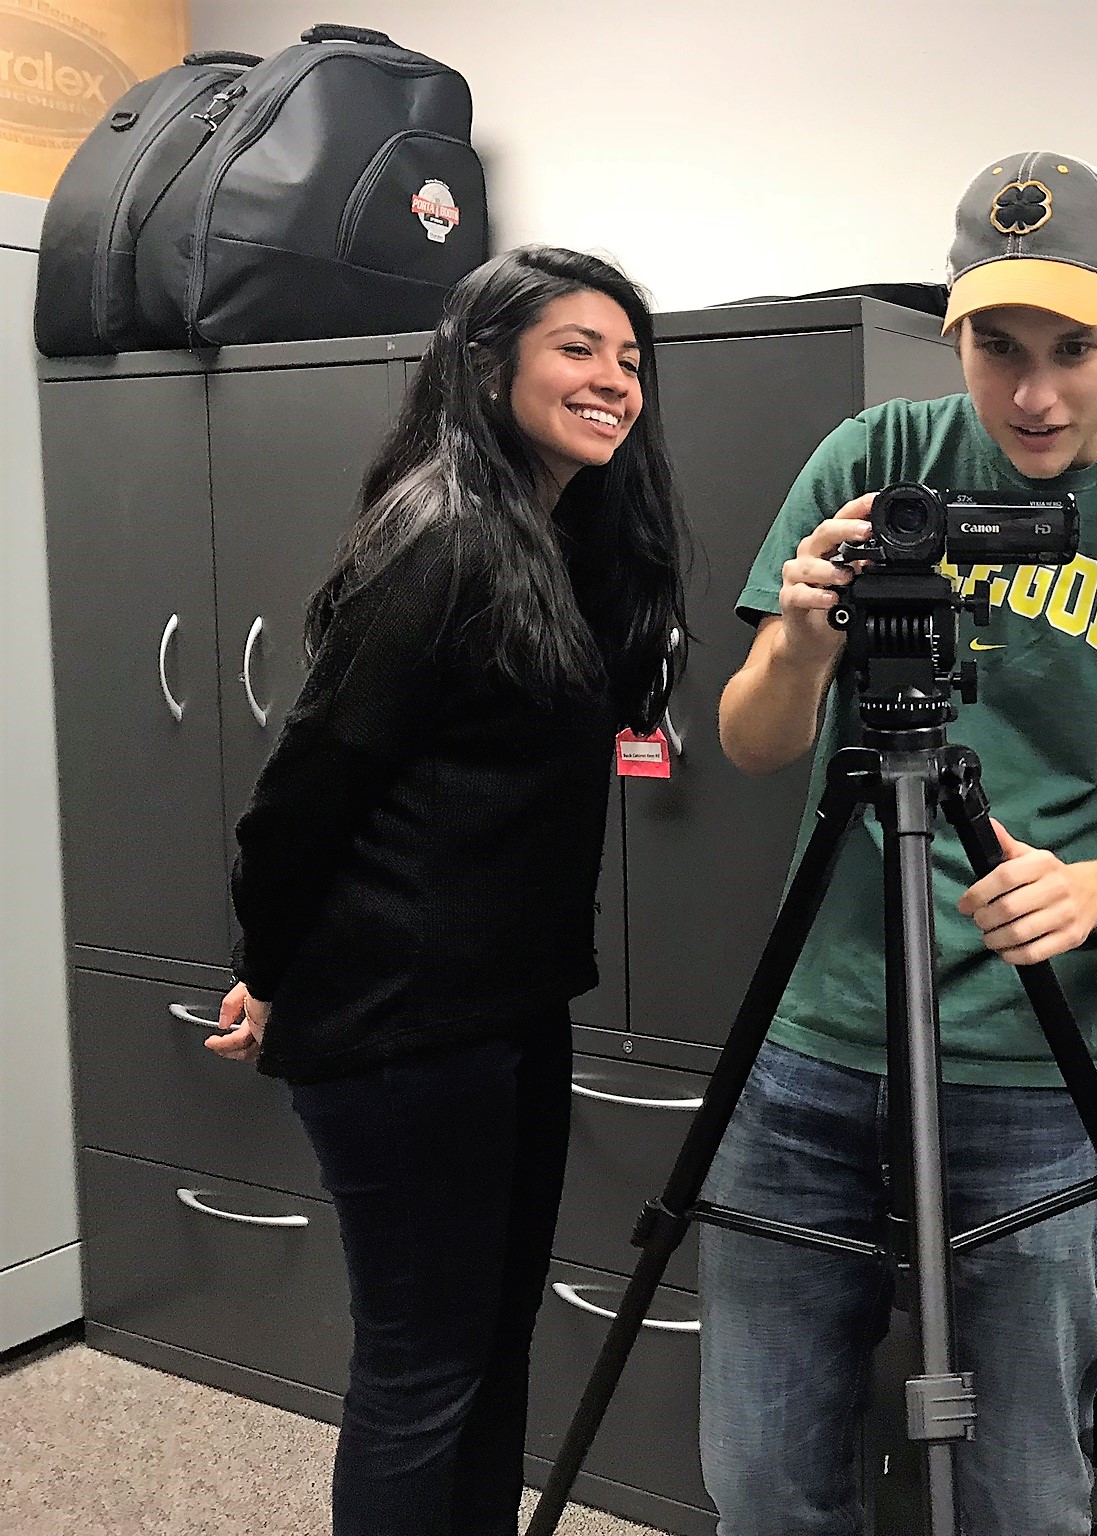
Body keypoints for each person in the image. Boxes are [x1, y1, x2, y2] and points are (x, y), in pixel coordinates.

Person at [706, 151, 1097, 1534]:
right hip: (815, 1041)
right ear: (953, 332)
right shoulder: (873, 467)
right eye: (996, 348)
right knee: (764, 1477)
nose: (1034, 394)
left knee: (1026, 1487)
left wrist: (1090, 891)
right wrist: (801, 635)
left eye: (1074, 349)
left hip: (1030, 1060)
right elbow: (755, 740)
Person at [207, 245, 689, 1536]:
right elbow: (300, 799)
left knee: (489, 1354)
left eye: (629, 359)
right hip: (403, 1030)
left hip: (503, 1010)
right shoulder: (442, 537)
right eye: (578, 350)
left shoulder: (546, 535)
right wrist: (273, 968)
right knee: (423, 1370)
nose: (613, 380)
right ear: (489, 367)